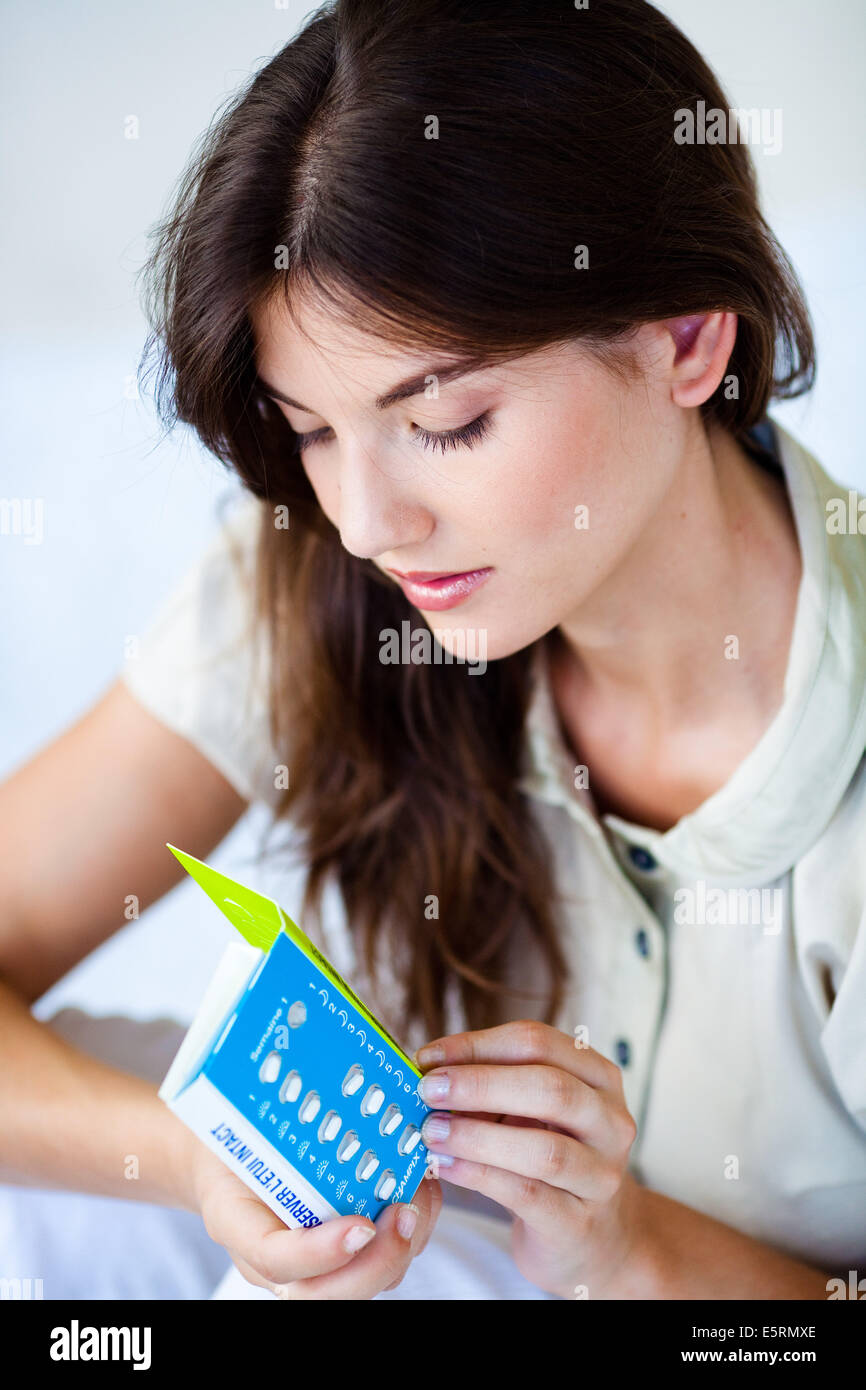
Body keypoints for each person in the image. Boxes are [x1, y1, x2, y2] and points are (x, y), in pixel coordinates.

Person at [1, 0, 864, 1301]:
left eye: (447, 420)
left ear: (688, 336)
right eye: (312, 430)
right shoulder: (315, 584)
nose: (365, 522)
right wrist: (194, 1166)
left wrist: (630, 1249)